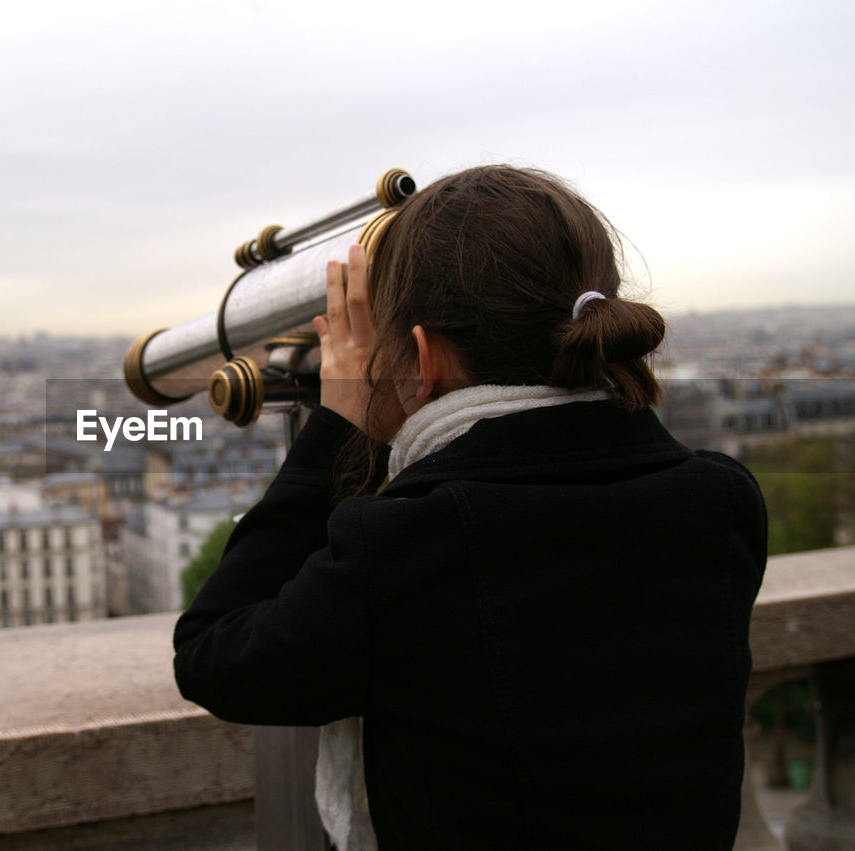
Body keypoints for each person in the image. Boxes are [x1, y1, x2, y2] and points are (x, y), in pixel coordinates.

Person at [173, 165, 767, 849]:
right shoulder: (721, 500)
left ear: (422, 359)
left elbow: (213, 654)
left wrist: (338, 423)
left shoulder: (411, 545)